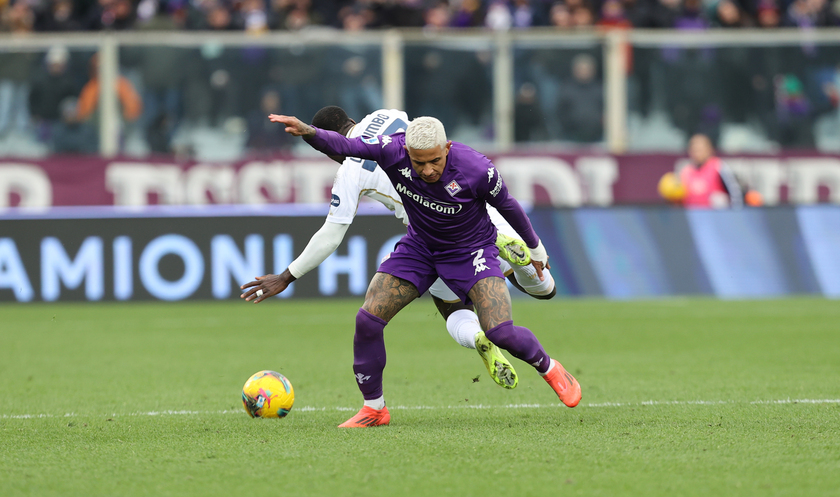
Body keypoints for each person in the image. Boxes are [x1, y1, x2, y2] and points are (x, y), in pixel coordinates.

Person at [265, 112, 581, 428]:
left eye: (434, 161)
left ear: (447, 148)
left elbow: (509, 205)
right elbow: (345, 142)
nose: (427, 170)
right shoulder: (390, 143)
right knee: (368, 319)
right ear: (407, 153)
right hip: (421, 246)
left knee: (508, 323)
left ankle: (550, 367)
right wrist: (308, 131)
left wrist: (537, 249)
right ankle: (374, 409)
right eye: (419, 163)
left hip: (471, 245)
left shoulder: (476, 168)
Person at [659, 133, 748, 208]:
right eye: (694, 150)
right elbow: (678, 201)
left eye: (700, 150)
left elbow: (736, 194)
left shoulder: (719, 167)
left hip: (717, 220)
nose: (697, 153)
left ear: (709, 150)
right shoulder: (684, 172)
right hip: (693, 221)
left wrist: (734, 214)